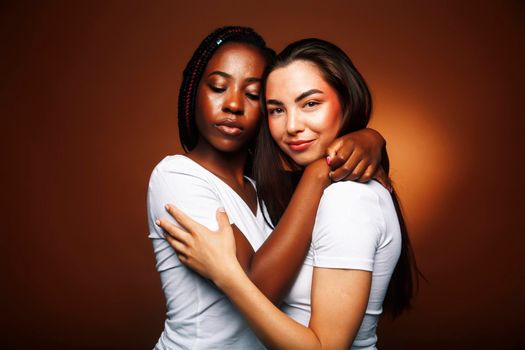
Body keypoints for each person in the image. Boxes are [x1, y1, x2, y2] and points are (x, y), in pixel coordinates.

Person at [159, 38, 418, 349]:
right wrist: (330, 163)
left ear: (347, 102)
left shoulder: (347, 198)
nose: (292, 125)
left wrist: (358, 147)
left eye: (310, 103)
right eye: (277, 109)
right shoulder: (287, 187)